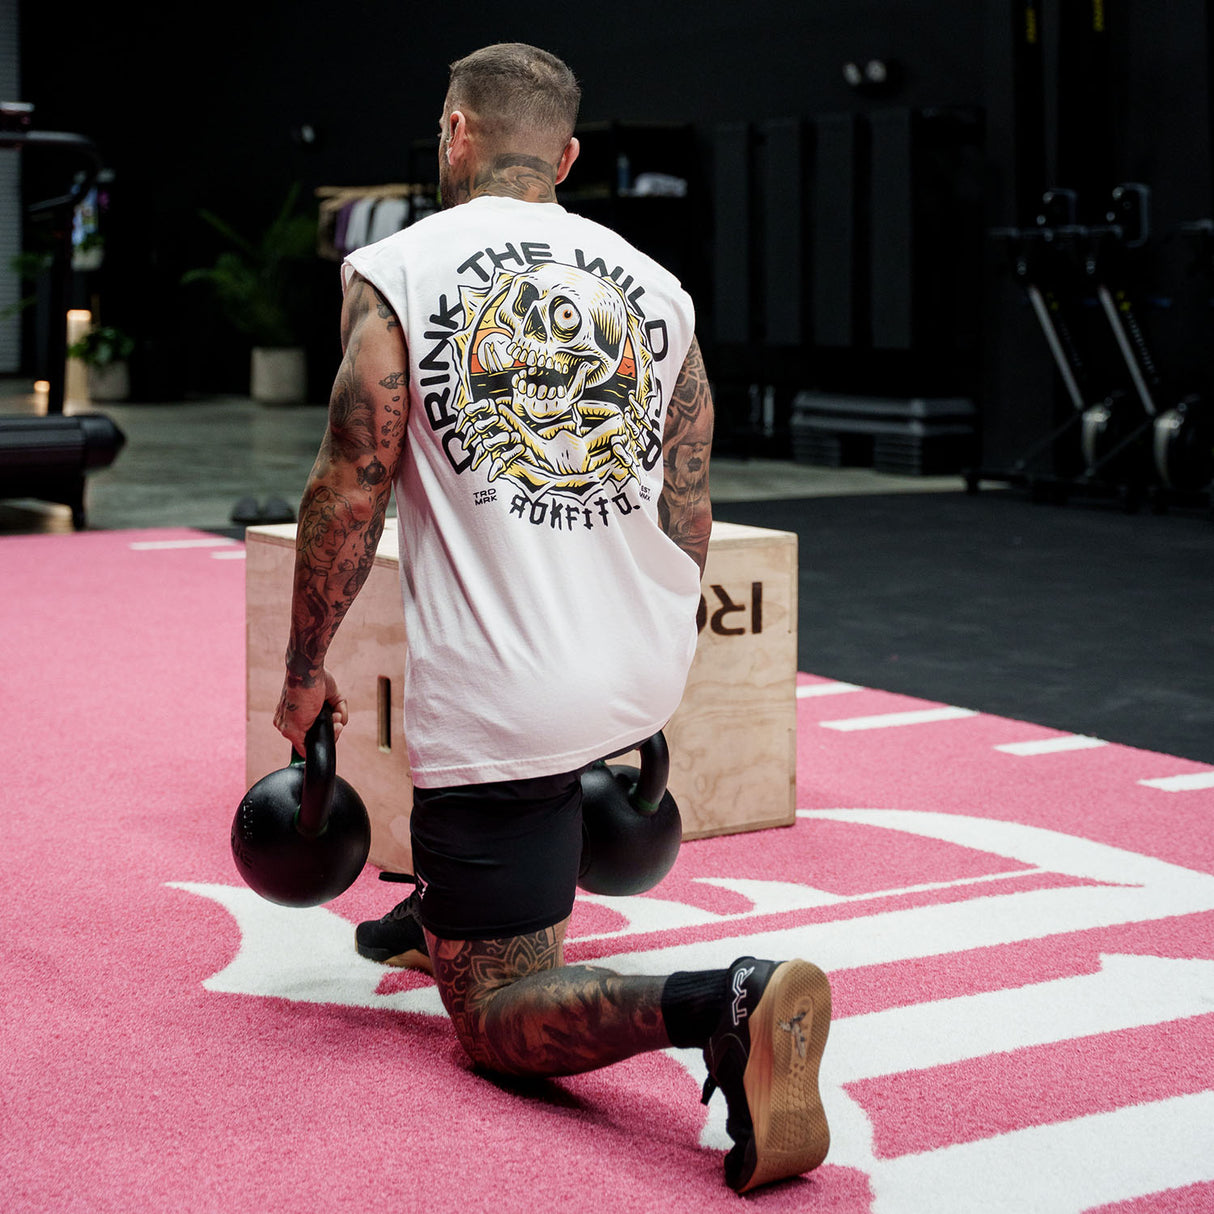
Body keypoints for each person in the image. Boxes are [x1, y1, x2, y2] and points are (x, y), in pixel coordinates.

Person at [273, 42, 831, 1194]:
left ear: (452, 133)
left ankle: (721, 1002)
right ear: (568, 156)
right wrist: (645, 656)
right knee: (497, 864)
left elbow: (347, 483)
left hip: (515, 704)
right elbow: (689, 503)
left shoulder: (400, 268)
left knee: (495, 1016)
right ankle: (440, 910)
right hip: (636, 673)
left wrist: (302, 669)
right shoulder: (655, 287)